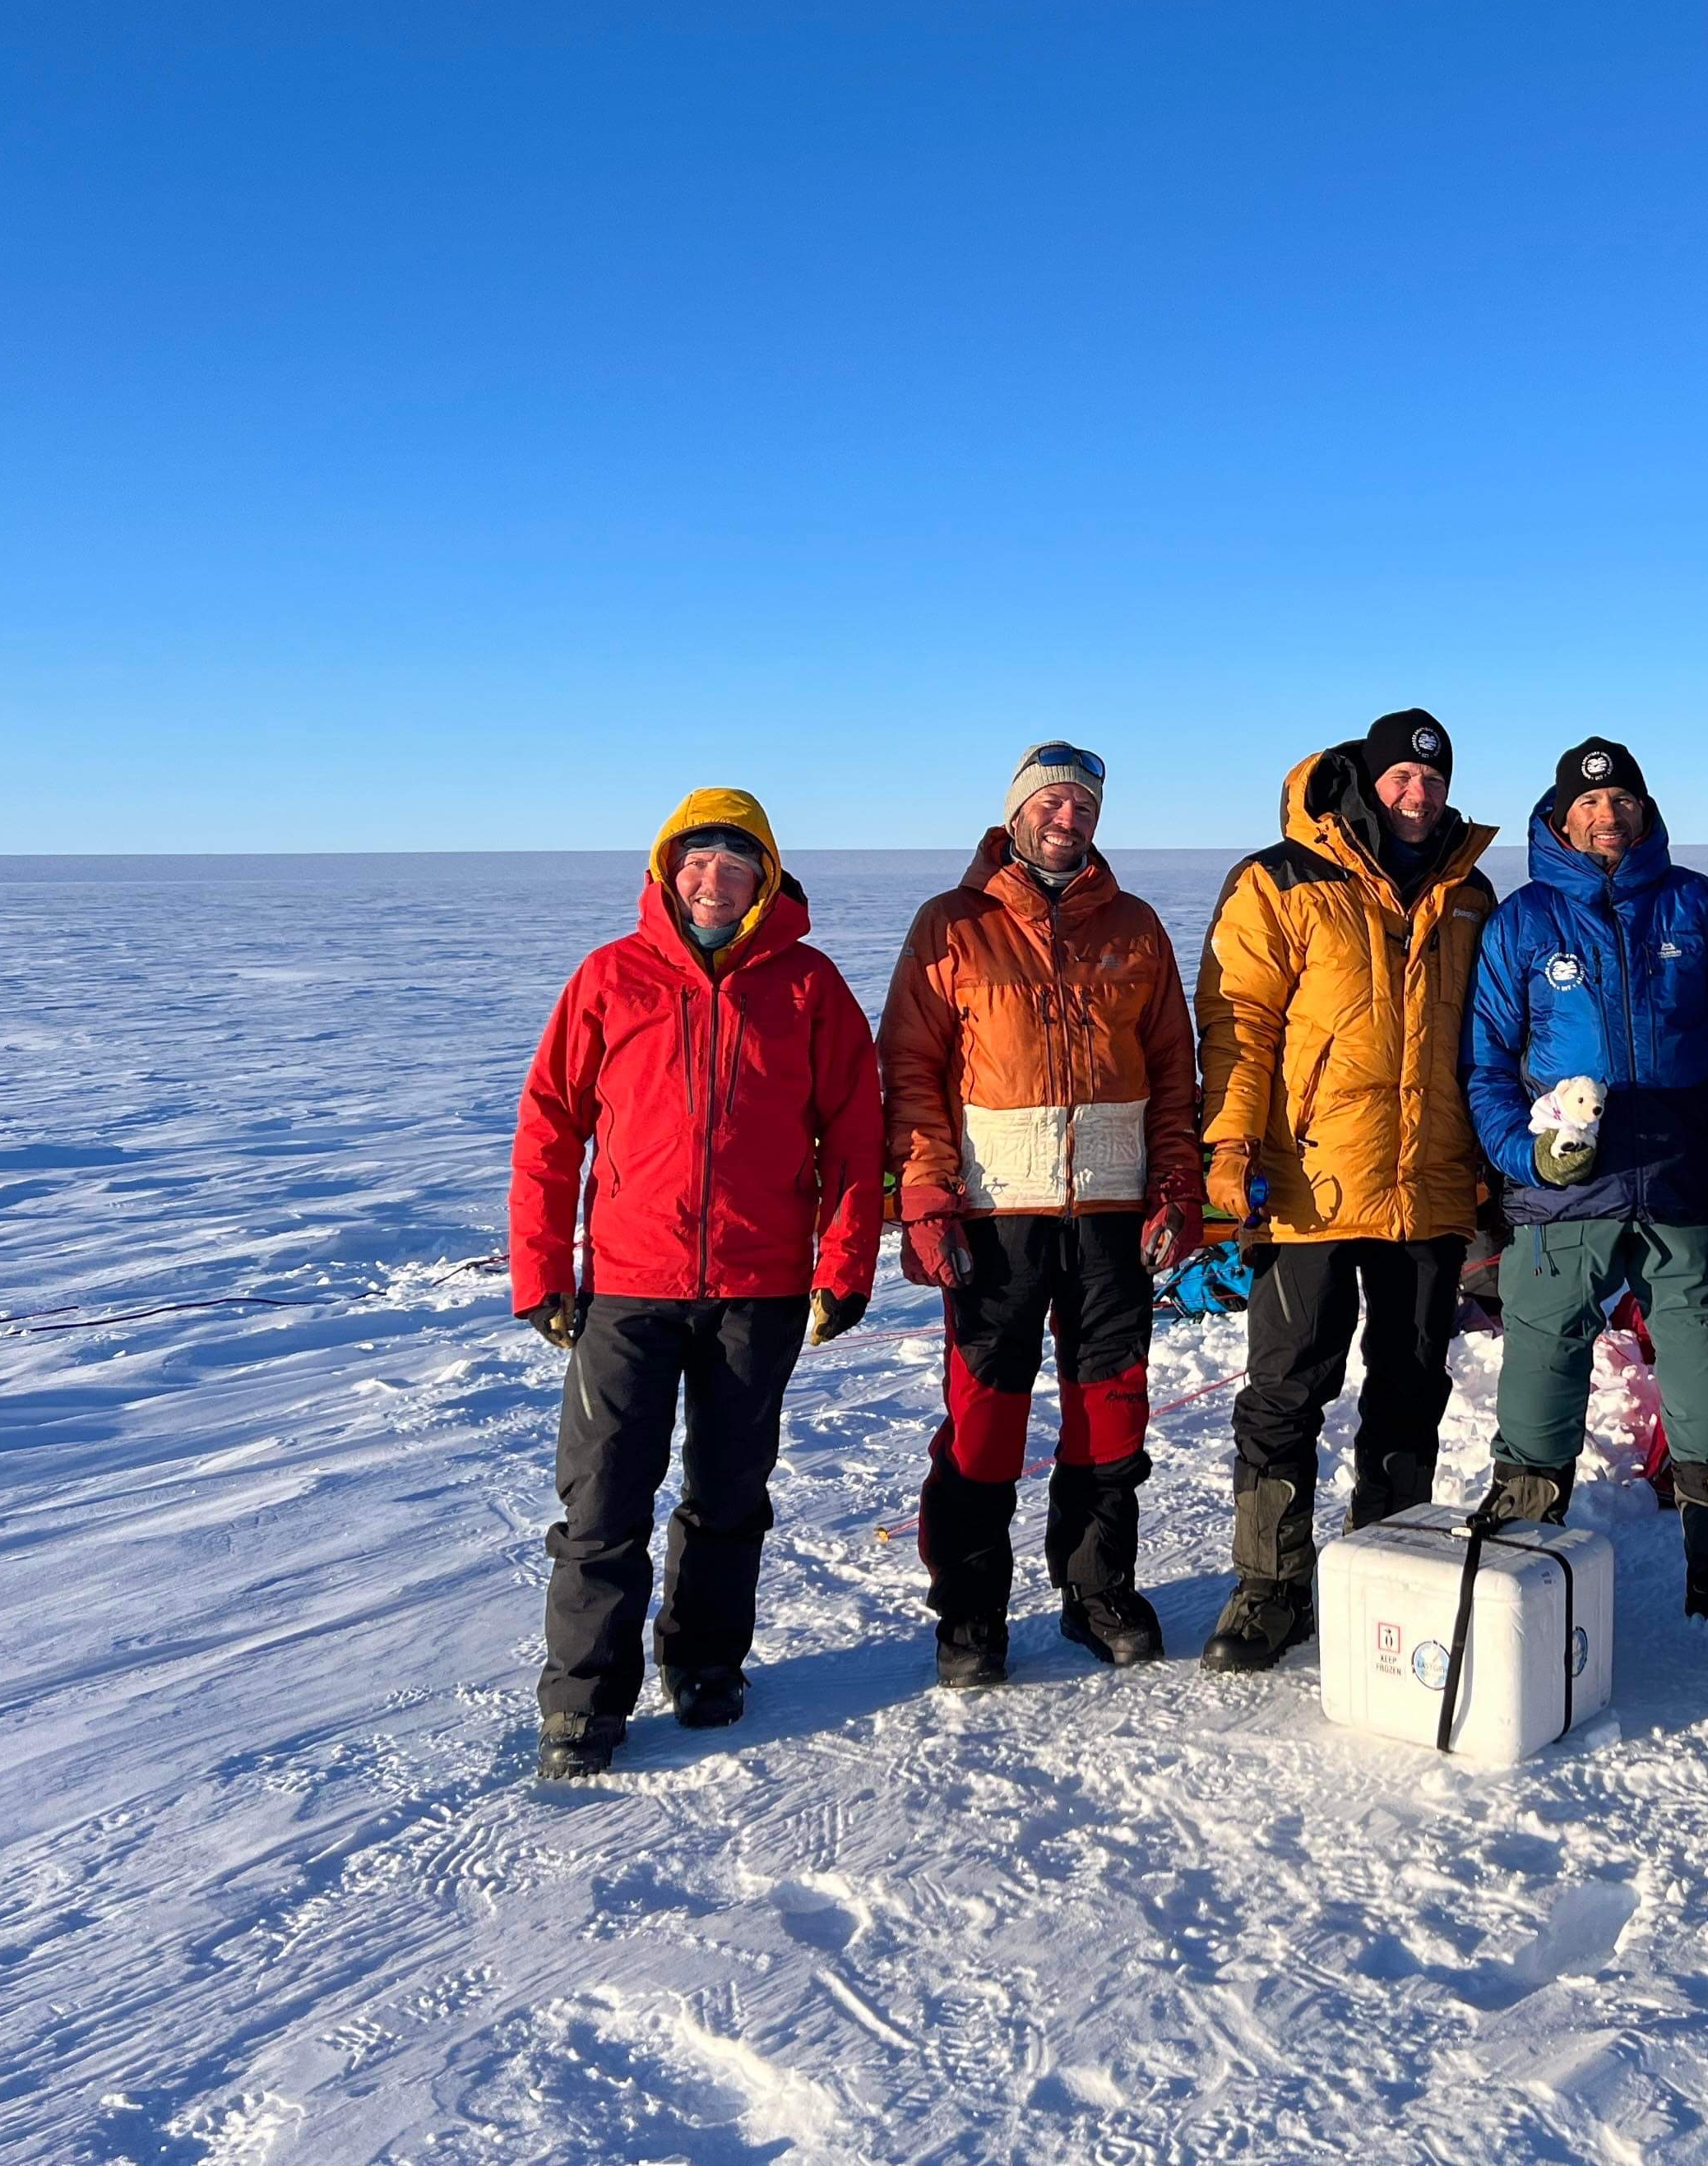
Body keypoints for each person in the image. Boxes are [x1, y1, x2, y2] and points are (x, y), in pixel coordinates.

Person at [510, 790, 884, 1782]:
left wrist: (842, 1266)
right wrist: (542, 1271)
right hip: (629, 1289)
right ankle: (584, 1702)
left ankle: (706, 1662)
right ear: (667, 873)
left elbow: (855, 1138)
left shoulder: (808, 988)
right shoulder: (610, 977)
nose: (713, 880)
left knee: (727, 1493)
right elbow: (551, 1126)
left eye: (735, 862)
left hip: (759, 1288)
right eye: (696, 862)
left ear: (764, 879)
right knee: (602, 1503)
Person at [882, 742, 1203, 1688]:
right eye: (1052, 804)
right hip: (997, 1219)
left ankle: (1097, 1590)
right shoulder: (953, 926)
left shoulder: (1137, 928)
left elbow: (1175, 1077)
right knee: (985, 1426)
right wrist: (928, 1198)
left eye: (1085, 807)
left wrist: (1178, 1189)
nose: (1069, 820)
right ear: (1016, 814)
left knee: (1110, 1419)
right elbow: (910, 1074)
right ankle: (970, 1612)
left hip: (1112, 1217)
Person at [1193, 710, 1499, 1670]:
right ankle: (1270, 1585)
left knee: (1411, 1387)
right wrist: (1229, 1147)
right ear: (1368, 783)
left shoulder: (1471, 892)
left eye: (1434, 781)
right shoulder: (1279, 880)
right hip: (1309, 1184)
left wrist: (1493, 1160)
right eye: (1402, 780)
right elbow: (1239, 1020)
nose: (1420, 796)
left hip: (1430, 1185)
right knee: (1287, 1391)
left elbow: (1493, 1037)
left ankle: (1390, 1563)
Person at [1465, 737, 1708, 1628]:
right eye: (1591, 807)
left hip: (1682, 1184)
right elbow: (1486, 1067)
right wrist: (1528, 1159)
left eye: (1624, 803)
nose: (1610, 818)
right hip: (1565, 1191)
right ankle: (1522, 1551)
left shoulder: (1701, 909)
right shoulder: (1522, 923)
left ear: (1645, 813)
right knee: (1541, 1364)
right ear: (1561, 821)